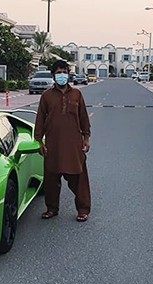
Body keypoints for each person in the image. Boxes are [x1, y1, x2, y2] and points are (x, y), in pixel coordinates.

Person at [34, 60, 92, 222]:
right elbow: (40, 120)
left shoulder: (76, 95)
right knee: (51, 178)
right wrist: (39, 142)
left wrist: (86, 138)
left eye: (65, 72)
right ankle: (52, 208)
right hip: (53, 144)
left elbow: (83, 119)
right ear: (53, 75)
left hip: (74, 144)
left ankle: (83, 209)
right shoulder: (46, 96)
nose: (62, 76)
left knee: (78, 177)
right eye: (59, 73)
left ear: (68, 74)